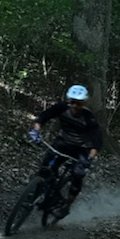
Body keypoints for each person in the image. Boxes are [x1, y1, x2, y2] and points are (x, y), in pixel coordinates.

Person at [29, 84, 102, 216]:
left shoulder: (89, 118)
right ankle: (39, 194)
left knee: (78, 174)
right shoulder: (61, 108)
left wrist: (89, 159)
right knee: (46, 167)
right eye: (72, 102)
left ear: (83, 103)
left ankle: (68, 203)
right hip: (62, 143)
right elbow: (42, 118)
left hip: (81, 149)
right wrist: (35, 131)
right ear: (68, 100)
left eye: (78, 103)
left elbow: (97, 143)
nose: (74, 106)